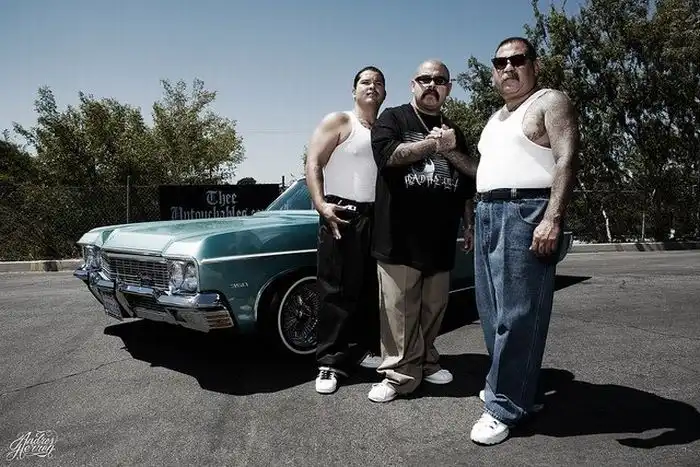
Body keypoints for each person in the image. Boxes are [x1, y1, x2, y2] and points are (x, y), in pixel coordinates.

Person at [469, 37, 581, 445]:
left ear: (534, 65)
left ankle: (505, 406)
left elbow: (567, 158)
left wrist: (552, 217)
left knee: (519, 315)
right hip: (487, 211)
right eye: (500, 62)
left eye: (517, 60)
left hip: (526, 211)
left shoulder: (549, 101)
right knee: (493, 312)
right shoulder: (495, 118)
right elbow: (485, 170)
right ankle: (515, 389)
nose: (508, 68)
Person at [367, 59, 478, 403]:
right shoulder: (393, 118)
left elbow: (468, 178)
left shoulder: (454, 129)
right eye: (425, 79)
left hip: (440, 237)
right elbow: (388, 156)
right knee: (399, 311)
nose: (432, 85)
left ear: (448, 88)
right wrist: (434, 146)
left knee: (433, 308)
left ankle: (427, 362)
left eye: (439, 80)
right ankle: (398, 374)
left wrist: (469, 222)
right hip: (398, 236)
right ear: (412, 85)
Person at [305, 66, 387, 395]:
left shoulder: (385, 130)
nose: (372, 86)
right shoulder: (339, 121)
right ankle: (329, 362)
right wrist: (321, 205)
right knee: (336, 288)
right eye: (365, 81)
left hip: (377, 215)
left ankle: (365, 349)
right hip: (342, 211)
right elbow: (313, 162)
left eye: (378, 82)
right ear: (354, 91)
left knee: (371, 287)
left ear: (384, 93)